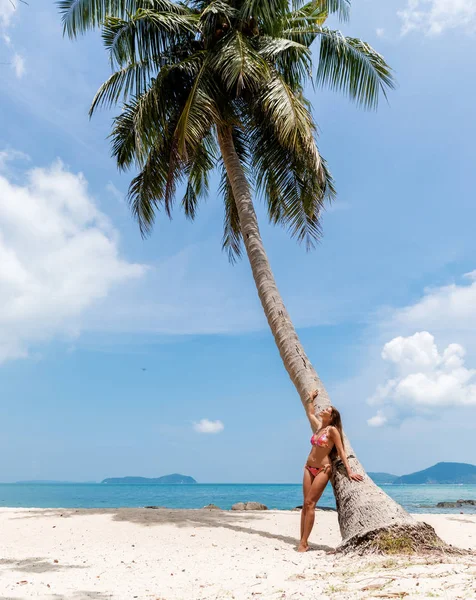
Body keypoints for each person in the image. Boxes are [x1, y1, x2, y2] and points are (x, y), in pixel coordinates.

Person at [298, 389, 363, 553]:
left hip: (323, 469)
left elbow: (341, 451)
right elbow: (310, 413)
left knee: (310, 503)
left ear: (332, 417)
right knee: (305, 505)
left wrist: (349, 471)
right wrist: (310, 399)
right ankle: (302, 540)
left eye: (327, 410)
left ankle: (304, 543)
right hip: (308, 467)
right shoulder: (319, 427)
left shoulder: (332, 430)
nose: (324, 410)